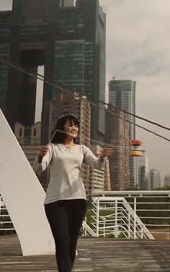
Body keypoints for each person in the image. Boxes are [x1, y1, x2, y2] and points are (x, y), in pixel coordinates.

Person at [37, 113, 107, 272]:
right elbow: (39, 168)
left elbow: (97, 165)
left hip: (78, 201)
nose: (74, 127)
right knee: (61, 242)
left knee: (71, 243)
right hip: (55, 202)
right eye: (70, 124)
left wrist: (102, 157)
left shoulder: (82, 149)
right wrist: (40, 156)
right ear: (62, 127)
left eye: (76, 125)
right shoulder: (52, 148)